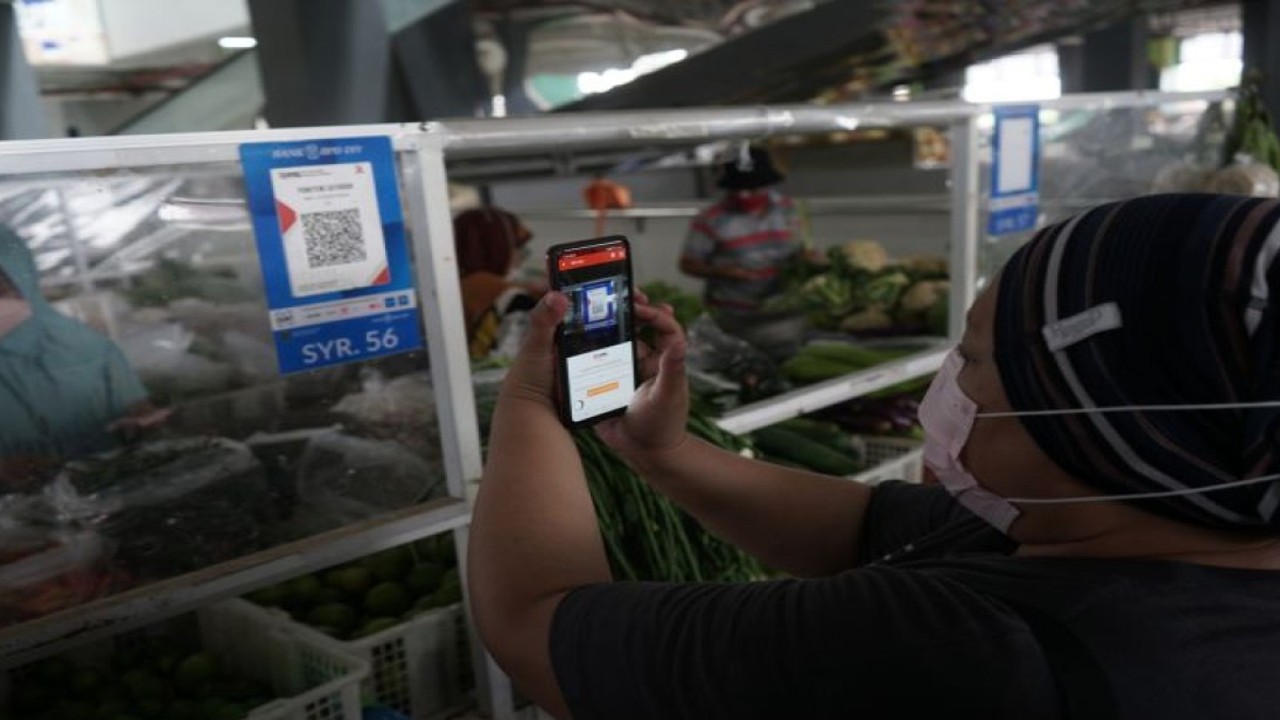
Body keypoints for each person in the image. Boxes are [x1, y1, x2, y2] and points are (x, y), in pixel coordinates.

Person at [468, 193, 1280, 719]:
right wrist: (664, 453)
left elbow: (532, 618)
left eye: (975, 360)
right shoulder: (1174, 528)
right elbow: (868, 525)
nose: (949, 382)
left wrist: (533, 402)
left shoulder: (963, 649)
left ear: (1093, 425)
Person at [0, 228, 159, 487]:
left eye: (1, 288)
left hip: (109, 491)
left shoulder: (90, 348)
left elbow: (142, 416)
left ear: (25, 282)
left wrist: (139, 428)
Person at [679, 145, 806, 357]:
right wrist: (726, 272)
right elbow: (688, 263)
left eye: (752, 189)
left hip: (782, 311)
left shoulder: (788, 210)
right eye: (739, 190)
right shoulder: (711, 219)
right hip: (733, 316)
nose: (745, 195)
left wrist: (807, 260)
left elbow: (798, 248)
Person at [453, 206, 541, 359]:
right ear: (499, 247)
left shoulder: (450, 288)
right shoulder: (513, 297)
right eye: (518, 248)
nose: (520, 258)